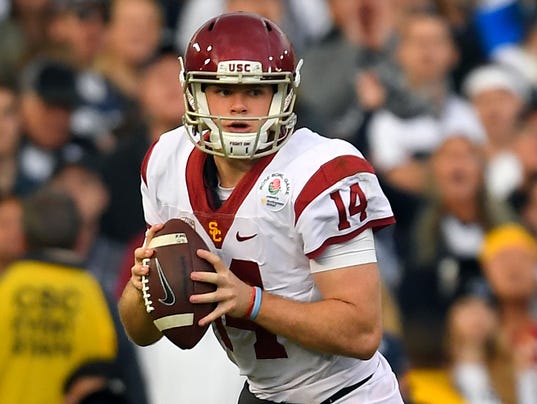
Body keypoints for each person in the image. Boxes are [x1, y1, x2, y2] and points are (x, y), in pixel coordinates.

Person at [118, 12, 403, 403]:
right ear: (194, 93)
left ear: (283, 94)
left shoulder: (320, 170)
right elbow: (143, 332)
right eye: (222, 90)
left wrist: (250, 301)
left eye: (255, 91)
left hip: (344, 393)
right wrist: (143, 287)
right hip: (262, 393)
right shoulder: (165, 162)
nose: (237, 107)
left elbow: (362, 333)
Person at [0, 188, 117, 404]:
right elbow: (127, 377)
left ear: (23, 238)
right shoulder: (96, 295)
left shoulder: (6, 287)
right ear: (80, 239)